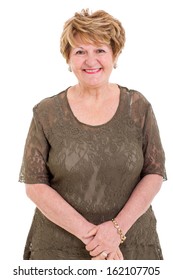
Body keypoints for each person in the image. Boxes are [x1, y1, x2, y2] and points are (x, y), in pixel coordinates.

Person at [19, 9, 167, 260]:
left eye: (100, 50)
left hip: (132, 248)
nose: (91, 60)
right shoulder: (46, 113)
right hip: (58, 252)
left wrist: (116, 231)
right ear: (68, 58)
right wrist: (96, 238)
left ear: (115, 55)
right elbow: (34, 185)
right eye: (80, 51)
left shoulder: (138, 107)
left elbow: (154, 173)